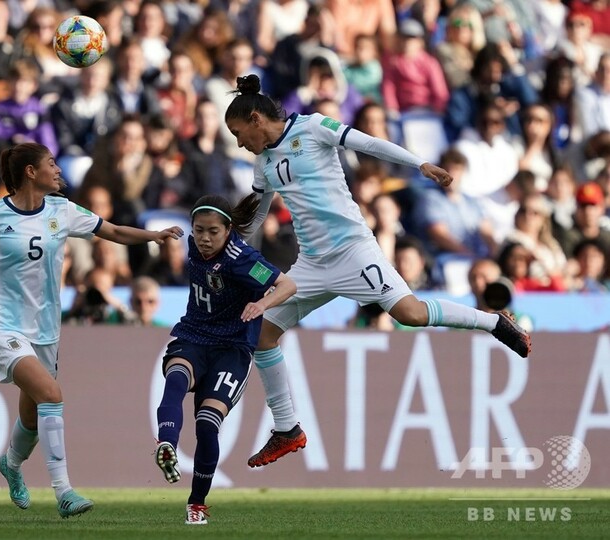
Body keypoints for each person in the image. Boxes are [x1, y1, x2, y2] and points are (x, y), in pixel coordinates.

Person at [223, 74, 532, 468]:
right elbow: (257, 215)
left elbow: (368, 142)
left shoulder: (314, 126)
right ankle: (287, 429)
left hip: (353, 251)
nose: (238, 142)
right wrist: (232, 252)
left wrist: (419, 163)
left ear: (255, 118)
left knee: (411, 314)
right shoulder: (263, 164)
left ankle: (493, 323)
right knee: (263, 335)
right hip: (312, 265)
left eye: (238, 132)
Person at [0, 142, 182, 518]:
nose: (59, 170)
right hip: (3, 325)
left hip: (45, 329)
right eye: (51, 164)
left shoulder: (62, 211)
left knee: (32, 416)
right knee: (51, 393)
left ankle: (11, 465)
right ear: (31, 172)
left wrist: (154, 236)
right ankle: (64, 491)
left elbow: (111, 231)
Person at [154, 194, 296, 525]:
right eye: (199, 230)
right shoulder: (192, 244)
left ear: (228, 230)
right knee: (176, 378)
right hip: (194, 335)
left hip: (232, 348)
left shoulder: (242, 258)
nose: (204, 238)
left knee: (207, 423)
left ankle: (197, 503)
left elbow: (287, 285)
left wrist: (261, 306)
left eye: (213, 232)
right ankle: (167, 445)